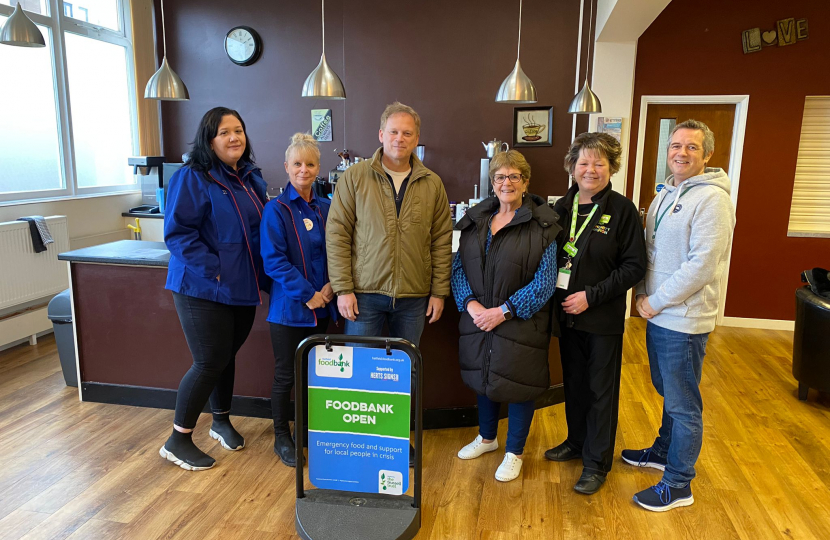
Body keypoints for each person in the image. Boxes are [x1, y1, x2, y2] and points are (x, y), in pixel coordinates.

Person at [326, 102, 453, 464]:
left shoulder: (432, 183)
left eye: (407, 133)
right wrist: (343, 288)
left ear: (417, 138)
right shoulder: (355, 178)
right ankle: (363, 444)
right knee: (361, 375)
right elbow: (336, 234)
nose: (400, 138)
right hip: (363, 295)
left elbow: (441, 240)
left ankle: (396, 441)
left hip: (414, 298)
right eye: (393, 131)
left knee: (402, 376)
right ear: (381, 135)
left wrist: (439, 291)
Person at [623, 119, 735, 511]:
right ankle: (662, 450)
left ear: (707, 154)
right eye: (675, 146)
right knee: (667, 390)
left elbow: (702, 265)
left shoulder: (713, 200)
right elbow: (651, 252)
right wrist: (641, 292)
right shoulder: (665, 194)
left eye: (691, 147)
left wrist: (656, 301)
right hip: (660, 313)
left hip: (684, 318)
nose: (681, 153)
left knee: (684, 403)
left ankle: (678, 483)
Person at [160, 107, 268, 471]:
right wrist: (215, 271)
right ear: (210, 139)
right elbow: (178, 234)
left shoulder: (250, 178)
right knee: (208, 361)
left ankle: (220, 421)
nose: (234, 137)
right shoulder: (192, 176)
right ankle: (178, 440)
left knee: (225, 356)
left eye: (239, 130)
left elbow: (259, 232)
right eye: (225, 132)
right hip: (202, 288)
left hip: (241, 287)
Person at [544, 133, 646, 494]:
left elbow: (634, 266)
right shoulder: (559, 209)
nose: (590, 170)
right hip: (565, 317)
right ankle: (576, 442)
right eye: (583, 163)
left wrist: (592, 295)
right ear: (572, 167)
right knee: (574, 383)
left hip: (601, 318)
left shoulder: (623, 211)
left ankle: (596, 463)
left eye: (599, 163)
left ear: (611, 168)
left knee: (601, 390)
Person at [452, 150, 562, 482]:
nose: (507, 183)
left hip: (519, 320)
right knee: (484, 378)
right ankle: (487, 438)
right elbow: (457, 268)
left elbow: (545, 282)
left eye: (514, 176)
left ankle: (514, 452)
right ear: (492, 182)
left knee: (519, 384)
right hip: (477, 317)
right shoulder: (472, 222)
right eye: (500, 176)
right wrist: (471, 306)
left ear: (526, 182)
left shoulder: (544, 226)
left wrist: (503, 312)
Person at [260, 133, 337, 467]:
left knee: (318, 375)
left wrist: (333, 287)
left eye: (310, 164)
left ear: (319, 168)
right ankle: (282, 438)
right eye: (297, 164)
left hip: (326, 307)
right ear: (286, 167)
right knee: (285, 376)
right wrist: (309, 295)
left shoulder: (326, 207)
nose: (303, 170)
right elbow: (274, 261)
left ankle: (311, 433)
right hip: (290, 310)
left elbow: (339, 250)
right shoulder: (275, 210)